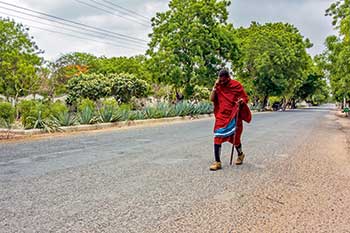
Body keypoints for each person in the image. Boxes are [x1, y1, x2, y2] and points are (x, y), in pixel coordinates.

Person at [209, 69, 251, 171]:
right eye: (221, 80)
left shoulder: (236, 85)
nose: (222, 83)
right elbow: (211, 98)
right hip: (221, 115)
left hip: (233, 115)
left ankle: (240, 154)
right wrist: (215, 87)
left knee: (235, 139)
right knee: (217, 136)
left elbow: (245, 98)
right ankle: (217, 162)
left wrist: (241, 101)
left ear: (228, 78)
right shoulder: (218, 85)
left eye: (224, 81)